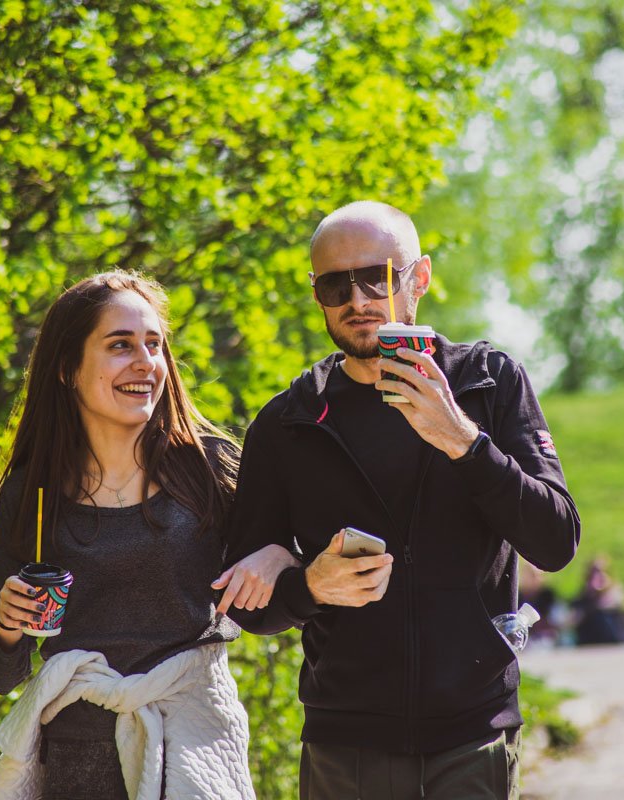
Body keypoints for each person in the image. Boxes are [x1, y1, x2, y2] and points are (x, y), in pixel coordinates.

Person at [220, 201, 582, 799]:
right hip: (345, 740)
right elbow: (245, 604)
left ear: (419, 279)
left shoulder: (488, 383)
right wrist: (310, 586)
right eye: (336, 284)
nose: (358, 299)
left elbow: (556, 538)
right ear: (317, 295)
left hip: (475, 728)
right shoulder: (287, 422)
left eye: (376, 277)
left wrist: (462, 441)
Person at [0, 271, 296, 800]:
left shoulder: (209, 470)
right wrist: (9, 625)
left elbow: (285, 581)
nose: (146, 362)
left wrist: (279, 554)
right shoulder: (32, 497)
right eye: (120, 345)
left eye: (154, 345)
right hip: (73, 757)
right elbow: (1, 670)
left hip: (193, 744)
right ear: (66, 367)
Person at [570, 557, 624, 646]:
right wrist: (590, 600)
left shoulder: (616, 595)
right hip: (590, 647)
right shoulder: (582, 600)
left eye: (602, 572)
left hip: (618, 645)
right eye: (594, 574)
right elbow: (573, 621)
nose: (599, 577)